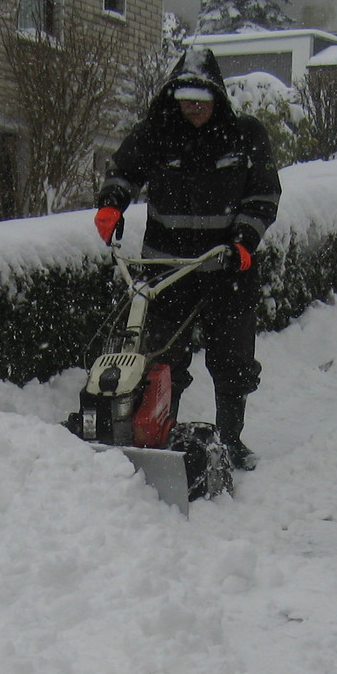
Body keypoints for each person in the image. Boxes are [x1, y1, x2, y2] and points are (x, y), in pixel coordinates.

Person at [94, 47, 280, 470]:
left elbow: (263, 195)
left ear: (217, 98)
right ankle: (161, 437)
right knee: (163, 361)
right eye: (186, 99)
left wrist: (243, 244)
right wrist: (111, 205)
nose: (194, 108)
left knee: (232, 362)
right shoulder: (155, 134)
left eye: (202, 99)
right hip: (166, 272)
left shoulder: (245, 135)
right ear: (174, 98)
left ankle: (231, 440)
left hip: (225, 270)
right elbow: (123, 171)